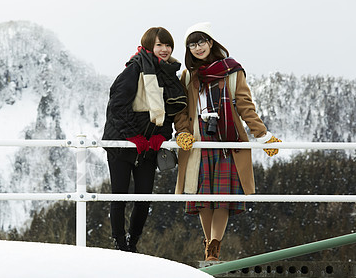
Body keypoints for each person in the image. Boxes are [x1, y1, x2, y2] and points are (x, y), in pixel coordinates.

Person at [174, 22, 281, 261]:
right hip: (198, 140)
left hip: (226, 139)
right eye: (192, 44)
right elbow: (180, 110)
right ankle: (207, 242)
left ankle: (214, 246)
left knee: (222, 196)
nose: (197, 48)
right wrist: (182, 131)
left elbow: (245, 106)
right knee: (203, 196)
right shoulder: (188, 75)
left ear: (211, 42)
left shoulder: (233, 71)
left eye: (201, 42)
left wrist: (262, 135)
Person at [102, 27, 187, 252]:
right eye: (159, 45)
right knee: (119, 195)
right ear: (149, 46)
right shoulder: (134, 70)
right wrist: (133, 136)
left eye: (168, 45)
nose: (165, 49)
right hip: (121, 144)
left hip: (148, 145)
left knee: (144, 197)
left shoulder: (168, 74)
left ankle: (133, 242)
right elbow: (117, 107)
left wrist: (162, 135)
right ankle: (119, 243)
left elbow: (168, 112)